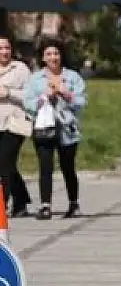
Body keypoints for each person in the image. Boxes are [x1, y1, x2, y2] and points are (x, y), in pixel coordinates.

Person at [23, 38, 86, 220]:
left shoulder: (73, 77)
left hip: (68, 129)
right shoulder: (36, 79)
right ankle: (45, 205)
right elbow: (28, 103)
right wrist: (43, 98)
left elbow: (82, 102)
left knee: (68, 167)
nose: (53, 57)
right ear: (43, 58)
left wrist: (68, 94)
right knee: (45, 167)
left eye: (56, 53)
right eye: (49, 54)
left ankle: (73, 203)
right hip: (44, 127)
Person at [0, 33, 33, 217]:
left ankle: (2, 204)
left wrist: (8, 93)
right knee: (8, 164)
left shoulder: (20, 69)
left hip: (15, 122)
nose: (4, 52)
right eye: (0, 48)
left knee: (4, 162)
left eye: (7, 48)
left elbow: (30, 95)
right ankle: (21, 201)